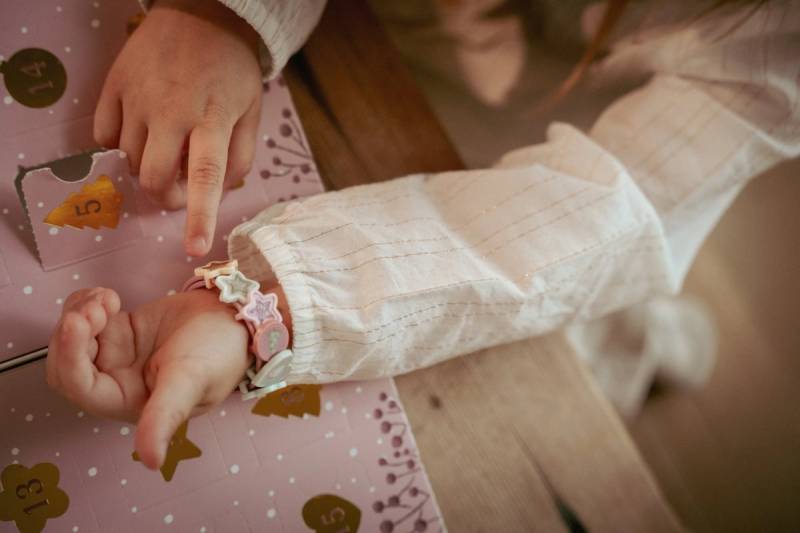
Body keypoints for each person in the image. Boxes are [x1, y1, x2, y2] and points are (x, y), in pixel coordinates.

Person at [46, 0, 800, 472]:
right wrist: (229, 13)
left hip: (556, 180)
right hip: (381, 55)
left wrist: (262, 312)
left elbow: (606, 215)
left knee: (571, 321)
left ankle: (635, 347)